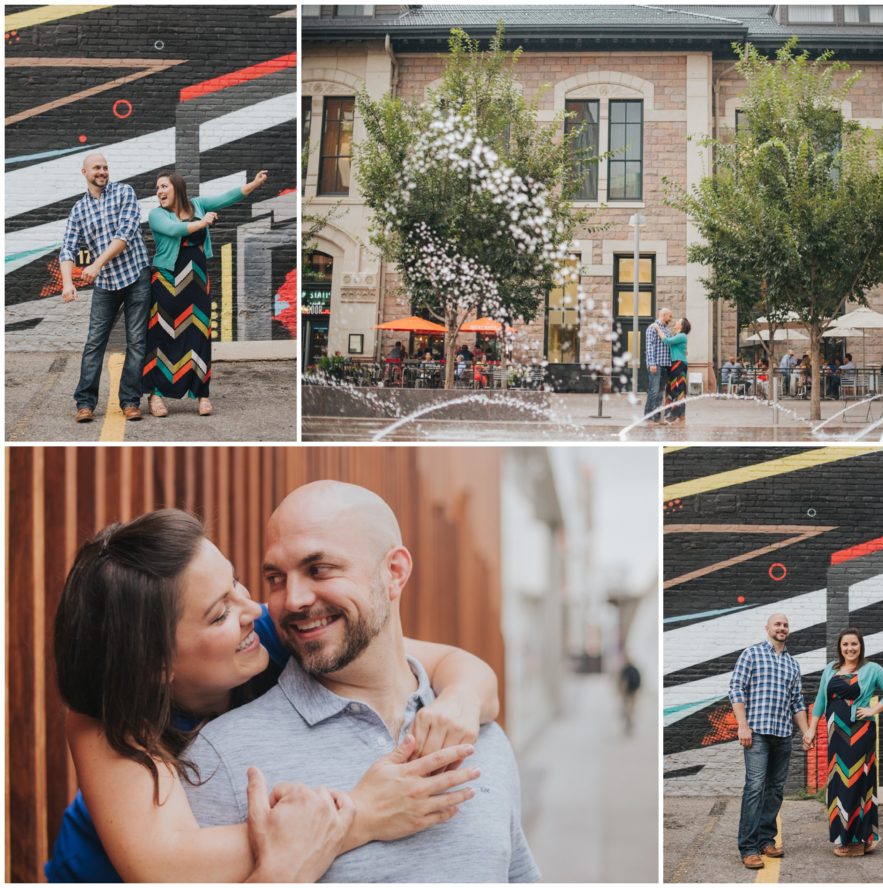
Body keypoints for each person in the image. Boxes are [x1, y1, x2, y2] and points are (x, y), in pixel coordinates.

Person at [48, 508, 500, 882]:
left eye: (236, 583)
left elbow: (451, 664)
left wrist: (458, 699)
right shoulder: (104, 713)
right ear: (153, 664)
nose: (253, 609)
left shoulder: (266, 632)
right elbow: (168, 864)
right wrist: (361, 812)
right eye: (219, 613)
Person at [183, 482, 541, 883]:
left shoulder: (477, 729)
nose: (293, 599)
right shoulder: (222, 759)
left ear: (394, 573)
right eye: (276, 578)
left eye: (318, 569)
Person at [143, 170, 269, 418]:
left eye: (164, 186)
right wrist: (202, 223)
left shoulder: (197, 204)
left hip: (197, 280)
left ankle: (202, 395)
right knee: (161, 335)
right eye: (157, 188)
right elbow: (174, 230)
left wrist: (254, 184)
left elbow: (228, 197)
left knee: (200, 334)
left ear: (177, 188)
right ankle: (155, 395)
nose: (159, 191)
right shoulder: (156, 215)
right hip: (167, 279)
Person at [59, 153, 151, 423]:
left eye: (105, 167)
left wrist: (96, 264)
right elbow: (67, 248)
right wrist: (67, 283)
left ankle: (130, 401)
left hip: (136, 277)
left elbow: (125, 235)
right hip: (106, 285)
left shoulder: (125, 192)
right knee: (94, 343)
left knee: (136, 342)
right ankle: (85, 403)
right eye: (96, 168)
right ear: (84, 172)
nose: (102, 171)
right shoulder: (79, 210)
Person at [803, 629, 883, 857]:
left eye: (854, 644)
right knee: (838, 784)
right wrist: (811, 728)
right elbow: (820, 700)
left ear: (860, 646)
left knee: (858, 782)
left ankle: (858, 840)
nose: (850, 648)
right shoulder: (831, 669)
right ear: (840, 647)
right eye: (845, 644)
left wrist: (874, 709)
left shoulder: (872, 669)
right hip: (836, 735)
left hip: (860, 733)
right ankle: (844, 837)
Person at [729, 613, 810, 871]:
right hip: (757, 733)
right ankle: (748, 848)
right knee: (755, 787)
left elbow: (797, 702)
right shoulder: (752, 654)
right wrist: (743, 725)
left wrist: (807, 733)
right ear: (768, 628)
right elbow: (736, 688)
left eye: (786, 624)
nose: (782, 627)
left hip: (783, 734)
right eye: (778, 624)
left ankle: (766, 840)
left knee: (775, 789)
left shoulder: (793, 665)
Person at [656, 317, 690, 425]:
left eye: (678, 321)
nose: (676, 322)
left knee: (678, 389)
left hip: (678, 364)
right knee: (674, 389)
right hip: (675, 364)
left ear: (682, 326)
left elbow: (666, 341)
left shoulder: (682, 336)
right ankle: (680, 416)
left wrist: (658, 329)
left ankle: (674, 415)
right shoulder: (678, 335)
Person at [644, 307, 673, 422]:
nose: (671, 319)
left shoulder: (666, 330)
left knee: (661, 392)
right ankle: (648, 415)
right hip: (656, 365)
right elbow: (649, 346)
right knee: (653, 390)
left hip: (665, 365)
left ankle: (656, 415)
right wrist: (652, 363)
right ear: (664, 315)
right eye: (669, 316)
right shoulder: (652, 328)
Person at [618, 659, 641, 736]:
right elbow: (639, 680)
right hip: (633, 691)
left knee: (628, 707)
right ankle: (629, 717)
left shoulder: (625, 670)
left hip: (627, 692)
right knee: (630, 707)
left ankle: (629, 718)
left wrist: (621, 691)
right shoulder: (635, 669)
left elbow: (621, 681)